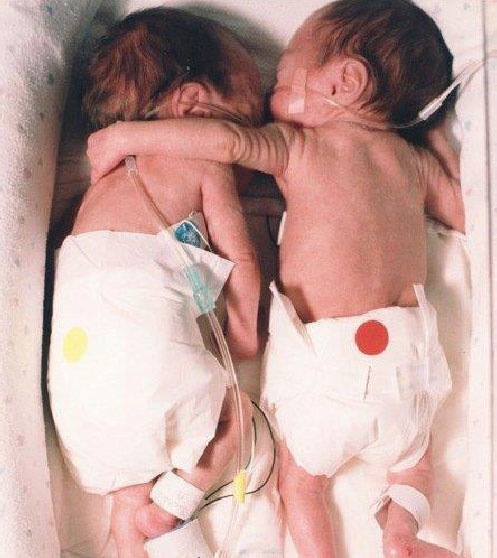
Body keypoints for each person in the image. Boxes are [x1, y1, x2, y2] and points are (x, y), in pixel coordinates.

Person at [86, 1, 466, 557]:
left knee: (299, 484)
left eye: (283, 76)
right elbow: (467, 211)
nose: (269, 96)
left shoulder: (298, 146)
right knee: (414, 466)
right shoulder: (414, 165)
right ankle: (402, 533)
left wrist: (127, 137)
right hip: (409, 368)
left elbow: (225, 142)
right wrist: (433, 136)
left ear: (343, 82)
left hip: (328, 367)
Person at [48, 8, 262, 557]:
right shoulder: (203, 161)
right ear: (194, 106)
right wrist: (244, 332)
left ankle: (129, 525)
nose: (253, 145)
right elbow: (241, 257)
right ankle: (171, 507)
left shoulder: (95, 188)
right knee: (237, 418)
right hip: (147, 363)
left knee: (131, 469)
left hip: (79, 398)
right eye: (249, 117)